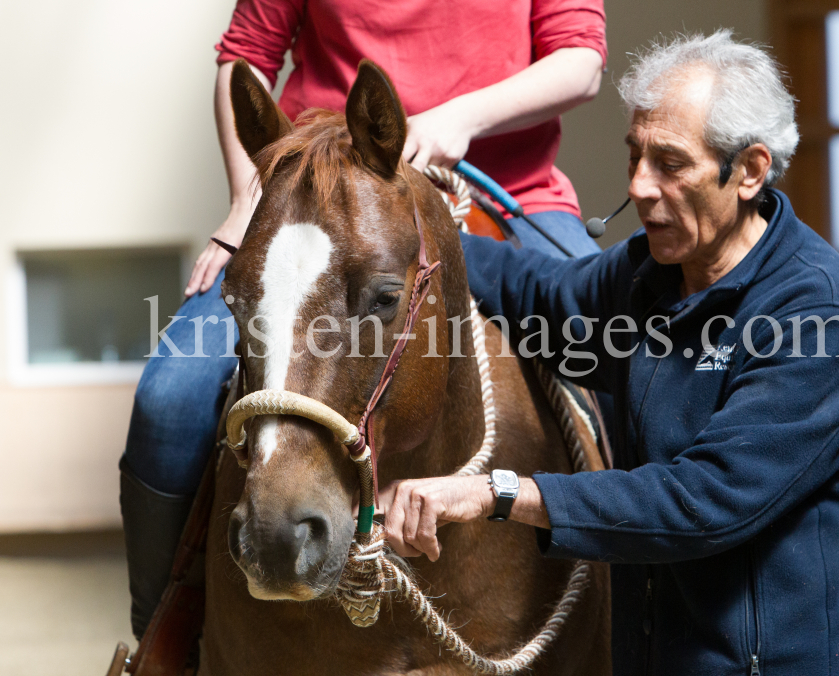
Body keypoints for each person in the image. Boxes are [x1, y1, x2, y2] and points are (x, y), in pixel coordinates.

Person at [380, 30, 839, 675]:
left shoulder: (817, 314)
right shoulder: (646, 275)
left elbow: (701, 502)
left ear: (750, 171)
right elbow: (537, 292)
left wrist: (494, 493)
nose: (641, 188)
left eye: (671, 164)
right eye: (635, 157)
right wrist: (410, 227)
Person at [120, 0, 607, 640]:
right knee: (169, 399)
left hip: (503, 194)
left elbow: (580, 61)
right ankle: (164, 635)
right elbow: (246, 55)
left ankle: (647, 618)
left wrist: (458, 118)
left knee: (632, 359)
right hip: (316, 199)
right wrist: (251, 197)